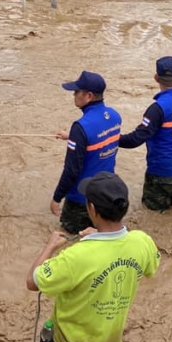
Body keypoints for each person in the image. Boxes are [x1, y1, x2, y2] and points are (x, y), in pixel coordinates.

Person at [27, 172, 160, 342]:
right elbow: (150, 265)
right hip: (110, 341)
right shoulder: (143, 241)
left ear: (92, 210)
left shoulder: (77, 256)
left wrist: (50, 246)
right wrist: (102, 236)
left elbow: (33, 282)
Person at [118, 56, 172, 211]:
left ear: (156, 78)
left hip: (161, 173)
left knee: (154, 215)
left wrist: (111, 139)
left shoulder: (157, 109)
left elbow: (136, 139)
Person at [50, 71, 122, 234]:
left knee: (71, 238)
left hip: (82, 198)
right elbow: (101, 140)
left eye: (76, 92)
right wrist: (73, 138)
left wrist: (56, 198)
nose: (74, 95)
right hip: (106, 192)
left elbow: (71, 170)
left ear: (88, 96)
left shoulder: (81, 127)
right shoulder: (114, 116)